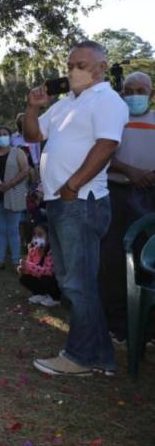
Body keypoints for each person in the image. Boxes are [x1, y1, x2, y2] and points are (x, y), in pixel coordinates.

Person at [23, 40, 128, 377]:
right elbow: (33, 133)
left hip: (81, 202)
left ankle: (79, 357)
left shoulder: (107, 99)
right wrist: (33, 106)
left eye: (80, 65)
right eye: (70, 65)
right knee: (74, 282)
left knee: (78, 284)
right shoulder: (66, 103)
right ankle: (100, 357)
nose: (72, 71)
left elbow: (107, 145)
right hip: (60, 202)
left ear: (101, 66)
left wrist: (72, 185)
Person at [100, 71, 155, 345]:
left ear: (152, 94)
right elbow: (102, 156)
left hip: (151, 196)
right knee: (113, 258)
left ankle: (148, 329)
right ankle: (118, 325)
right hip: (117, 194)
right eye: (129, 90)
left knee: (149, 258)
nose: (135, 95)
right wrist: (131, 171)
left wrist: (148, 175)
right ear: (122, 94)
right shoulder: (115, 121)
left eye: (141, 90)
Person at [0, 126, 30, 270]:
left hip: (13, 195)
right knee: (1, 230)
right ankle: (0, 260)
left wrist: (10, 184)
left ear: (10, 137)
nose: (2, 136)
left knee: (13, 230)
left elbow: (25, 169)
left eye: (5, 134)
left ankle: (16, 261)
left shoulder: (18, 152)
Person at [17, 224, 61, 307]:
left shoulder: (51, 252)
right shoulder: (33, 250)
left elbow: (48, 271)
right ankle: (40, 294)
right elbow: (30, 267)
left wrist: (28, 266)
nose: (37, 237)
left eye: (40, 234)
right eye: (35, 234)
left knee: (46, 278)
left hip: (52, 280)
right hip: (40, 278)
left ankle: (55, 298)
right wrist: (23, 269)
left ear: (48, 237)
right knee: (24, 277)